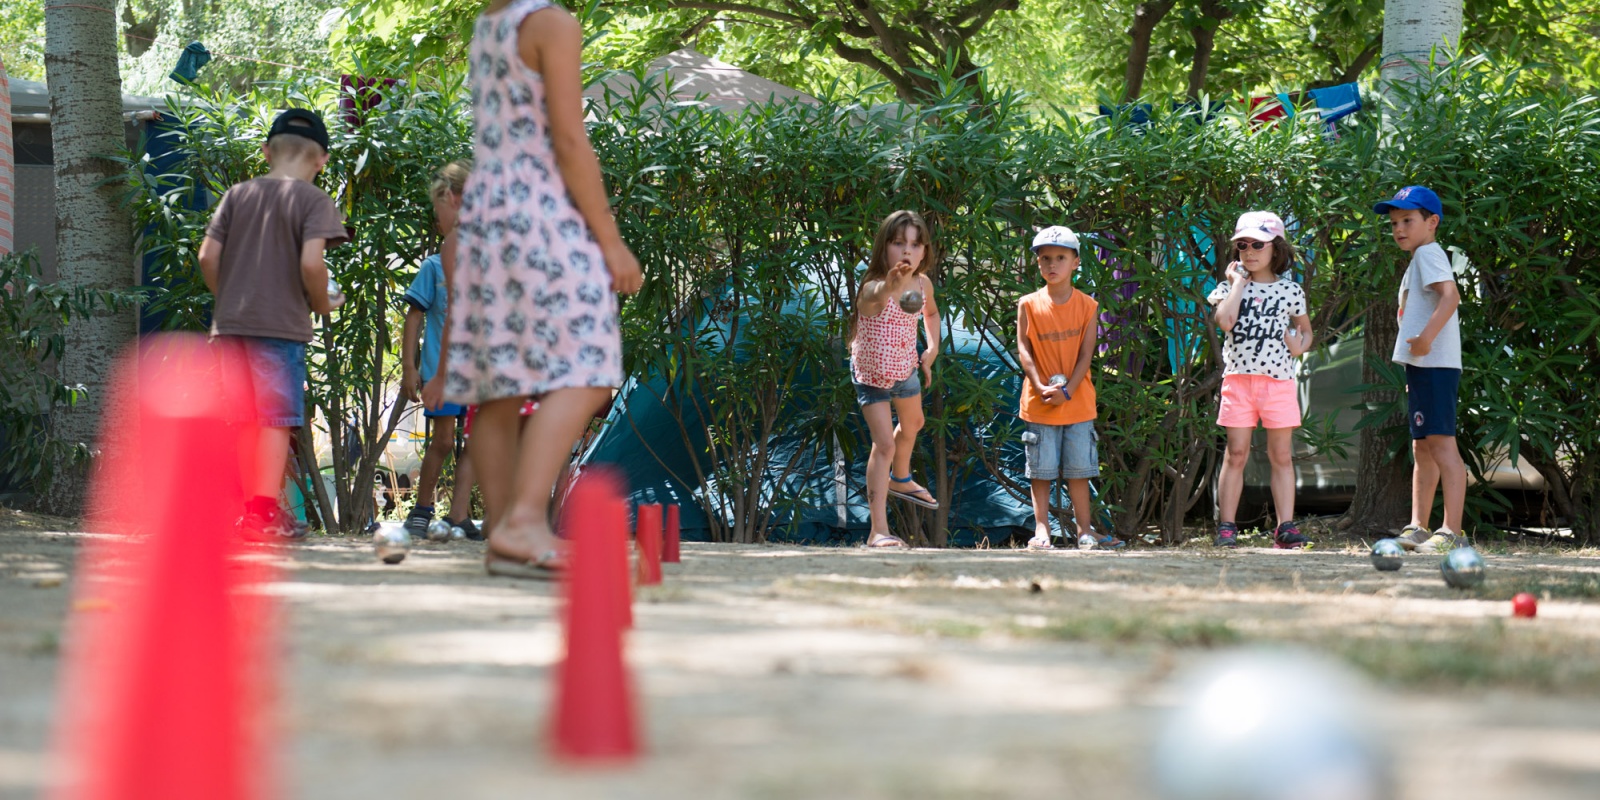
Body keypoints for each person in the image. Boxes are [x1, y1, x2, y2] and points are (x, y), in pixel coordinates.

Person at [423, 0, 643, 578]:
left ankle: (505, 539)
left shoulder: (490, 24)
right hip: (535, 211)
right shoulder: (550, 22)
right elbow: (570, 141)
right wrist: (610, 240)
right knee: (593, 363)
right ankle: (524, 517)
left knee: (499, 386)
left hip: (487, 216)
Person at [198, 108, 348, 539]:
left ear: (266, 151)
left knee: (245, 420)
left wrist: (227, 301)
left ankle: (252, 510)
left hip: (231, 325)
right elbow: (311, 263)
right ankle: (263, 513)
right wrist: (322, 302)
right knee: (274, 421)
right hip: (280, 328)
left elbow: (208, 257)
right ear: (322, 160)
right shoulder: (314, 200)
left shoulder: (236, 194)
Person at [1207, 210, 1313, 549]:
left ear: (1276, 248)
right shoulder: (1228, 286)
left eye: (1258, 244)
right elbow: (1224, 321)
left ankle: (1285, 527)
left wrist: (1300, 345)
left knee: (1281, 455)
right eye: (1242, 245)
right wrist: (1238, 284)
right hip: (1238, 381)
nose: (1249, 252)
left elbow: (1305, 330)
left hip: (1278, 382)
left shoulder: (1290, 290)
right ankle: (1227, 526)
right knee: (1235, 454)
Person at [1016, 226, 1123, 551]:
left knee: (1079, 471)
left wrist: (1067, 390)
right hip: (1039, 402)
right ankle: (1042, 530)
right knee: (1041, 471)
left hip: (1077, 403)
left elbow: (1086, 354)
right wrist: (1038, 385)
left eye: (1061, 257)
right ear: (1037, 263)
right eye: (1045, 258)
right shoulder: (1028, 304)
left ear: (1076, 261)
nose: (1052, 264)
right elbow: (1023, 348)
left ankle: (1084, 531)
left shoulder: (1088, 306)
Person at [1374, 185, 1465, 553]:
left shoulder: (1428, 253)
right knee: (1423, 446)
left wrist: (1426, 340)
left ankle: (1452, 530)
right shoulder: (1421, 256)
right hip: (1425, 367)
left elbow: (1451, 296)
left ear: (1432, 222)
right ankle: (1419, 525)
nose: (1399, 228)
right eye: (1394, 222)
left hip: (1435, 364)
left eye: (1408, 220)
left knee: (1442, 446)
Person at [849, 210, 941, 549]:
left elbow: (930, 312)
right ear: (883, 247)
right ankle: (878, 531)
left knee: (914, 423)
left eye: (916, 244)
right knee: (884, 444)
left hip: (905, 369)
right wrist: (889, 286)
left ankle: (901, 477)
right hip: (872, 376)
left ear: (925, 251)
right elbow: (872, 300)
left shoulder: (922, 284)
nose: (908, 251)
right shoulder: (873, 284)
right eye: (899, 242)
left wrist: (931, 348)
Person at [401, 161, 481, 540]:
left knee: (479, 442)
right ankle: (421, 508)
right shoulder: (434, 267)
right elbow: (414, 316)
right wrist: (409, 368)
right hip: (440, 372)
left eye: (439, 211)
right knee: (445, 441)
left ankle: (459, 514)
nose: (438, 221)